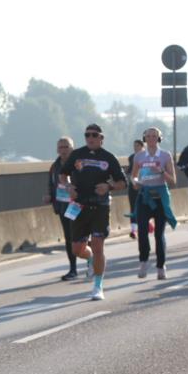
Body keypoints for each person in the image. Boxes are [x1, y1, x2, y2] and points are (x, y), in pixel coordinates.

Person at [58, 124, 128, 301]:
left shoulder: (108, 158)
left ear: (101, 138)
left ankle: (98, 286)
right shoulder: (77, 154)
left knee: (98, 246)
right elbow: (63, 174)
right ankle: (89, 258)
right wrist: (68, 186)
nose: (90, 137)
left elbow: (122, 183)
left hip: (100, 206)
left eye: (94, 135)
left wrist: (109, 186)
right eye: (87, 135)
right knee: (77, 249)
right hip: (79, 206)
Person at [131, 127, 177, 280]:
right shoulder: (139, 156)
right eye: (148, 136)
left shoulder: (165, 155)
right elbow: (133, 177)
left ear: (159, 138)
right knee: (142, 231)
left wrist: (161, 171)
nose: (151, 139)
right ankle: (143, 261)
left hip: (160, 197)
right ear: (144, 138)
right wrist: (136, 183)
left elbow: (173, 181)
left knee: (159, 234)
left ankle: (161, 265)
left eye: (154, 136)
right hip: (144, 196)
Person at [46, 137, 79, 280]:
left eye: (66, 147)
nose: (63, 150)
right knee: (69, 237)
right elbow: (51, 183)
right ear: (57, 150)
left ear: (72, 148)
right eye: (61, 147)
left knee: (81, 236)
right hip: (62, 206)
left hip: (77, 205)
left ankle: (91, 261)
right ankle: (73, 269)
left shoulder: (78, 164)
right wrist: (48, 195)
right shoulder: (55, 166)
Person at [126, 139, 144, 239]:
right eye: (134, 145)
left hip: (145, 186)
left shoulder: (147, 156)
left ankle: (147, 224)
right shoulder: (131, 157)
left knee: (145, 207)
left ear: (142, 146)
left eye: (137, 145)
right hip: (133, 186)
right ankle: (133, 230)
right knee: (133, 207)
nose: (135, 147)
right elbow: (129, 172)